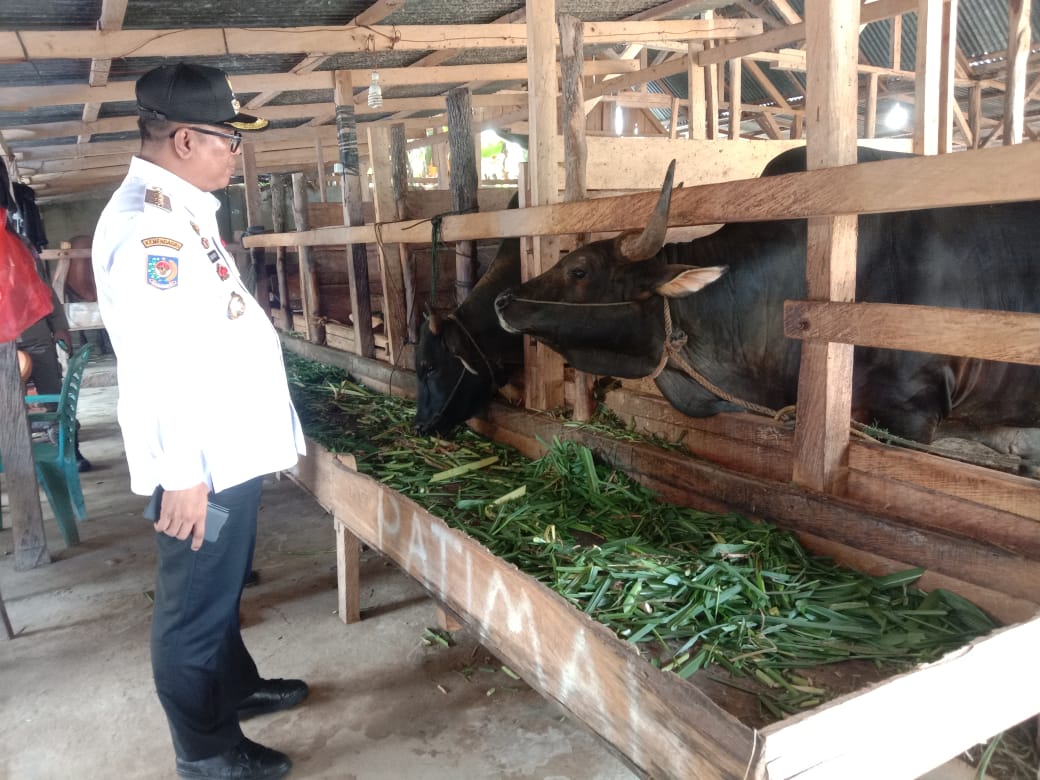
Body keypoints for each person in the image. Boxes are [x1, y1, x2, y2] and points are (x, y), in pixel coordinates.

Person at [92, 63, 308, 780]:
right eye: (227, 139)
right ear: (184, 138)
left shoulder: (180, 209)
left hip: (226, 455)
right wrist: (183, 475)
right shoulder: (149, 228)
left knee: (218, 588)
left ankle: (235, 688)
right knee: (190, 610)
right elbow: (162, 362)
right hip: (202, 469)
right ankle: (205, 751)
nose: (235, 152)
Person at [18, 241, 92, 471]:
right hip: (3, 344)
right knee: (9, 405)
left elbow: (44, 289)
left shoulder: (21, 246)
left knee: (53, 396)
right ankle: (20, 460)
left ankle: (70, 450)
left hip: (35, 335)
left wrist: (59, 326)